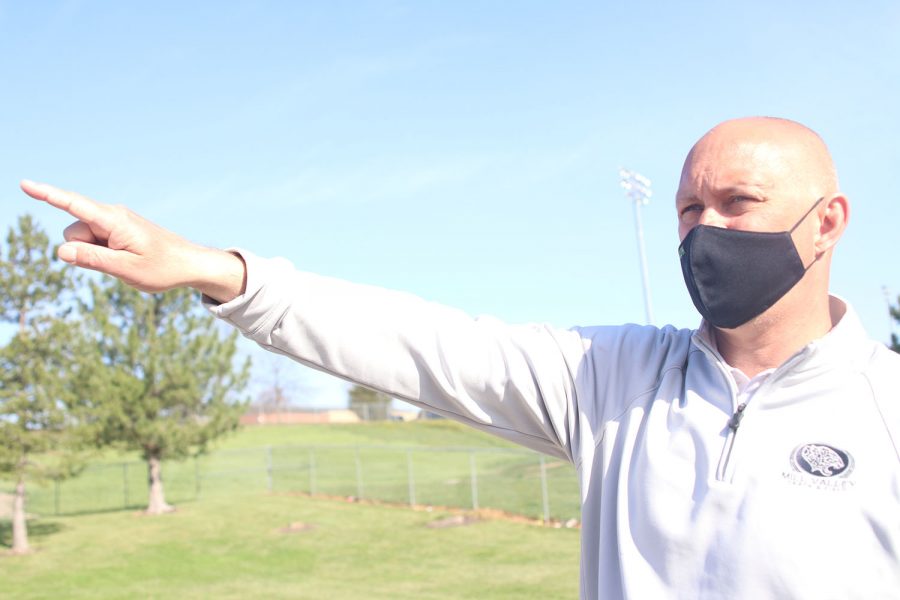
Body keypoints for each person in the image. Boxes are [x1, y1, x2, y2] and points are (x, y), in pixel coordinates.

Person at [21, 117, 899, 599]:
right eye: (685, 210)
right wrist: (217, 272)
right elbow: (423, 344)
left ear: (828, 222)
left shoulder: (886, 408)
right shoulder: (613, 380)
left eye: (737, 203)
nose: (704, 231)